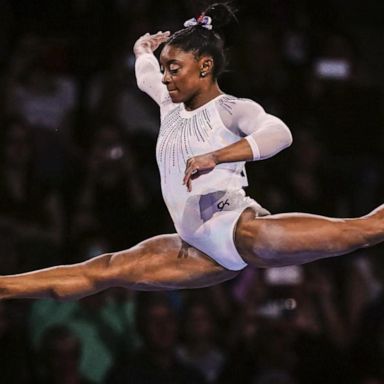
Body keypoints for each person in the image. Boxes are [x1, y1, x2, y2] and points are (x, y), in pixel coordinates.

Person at [0, 3, 383, 301]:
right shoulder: (169, 103)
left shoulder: (231, 108)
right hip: (195, 249)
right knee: (102, 271)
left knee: (364, 230)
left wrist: (218, 156)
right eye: (165, 69)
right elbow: (145, 74)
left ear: (204, 67)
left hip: (238, 230)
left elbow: (279, 134)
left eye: (174, 69)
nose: (165, 78)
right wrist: (142, 51)